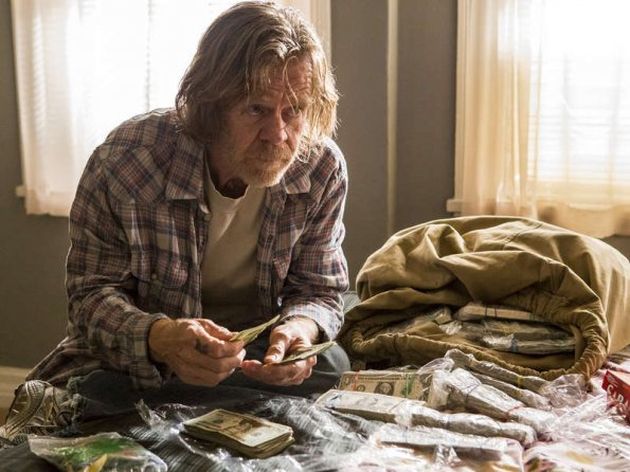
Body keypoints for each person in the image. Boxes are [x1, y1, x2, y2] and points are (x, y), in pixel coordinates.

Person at [26, 1, 350, 398]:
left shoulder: (320, 168)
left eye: (293, 111)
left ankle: (203, 396)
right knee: (94, 382)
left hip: (254, 347)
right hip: (154, 353)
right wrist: (160, 337)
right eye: (256, 109)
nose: (278, 135)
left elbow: (318, 290)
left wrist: (299, 332)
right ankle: (214, 395)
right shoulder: (126, 161)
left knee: (330, 364)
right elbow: (90, 298)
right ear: (212, 105)